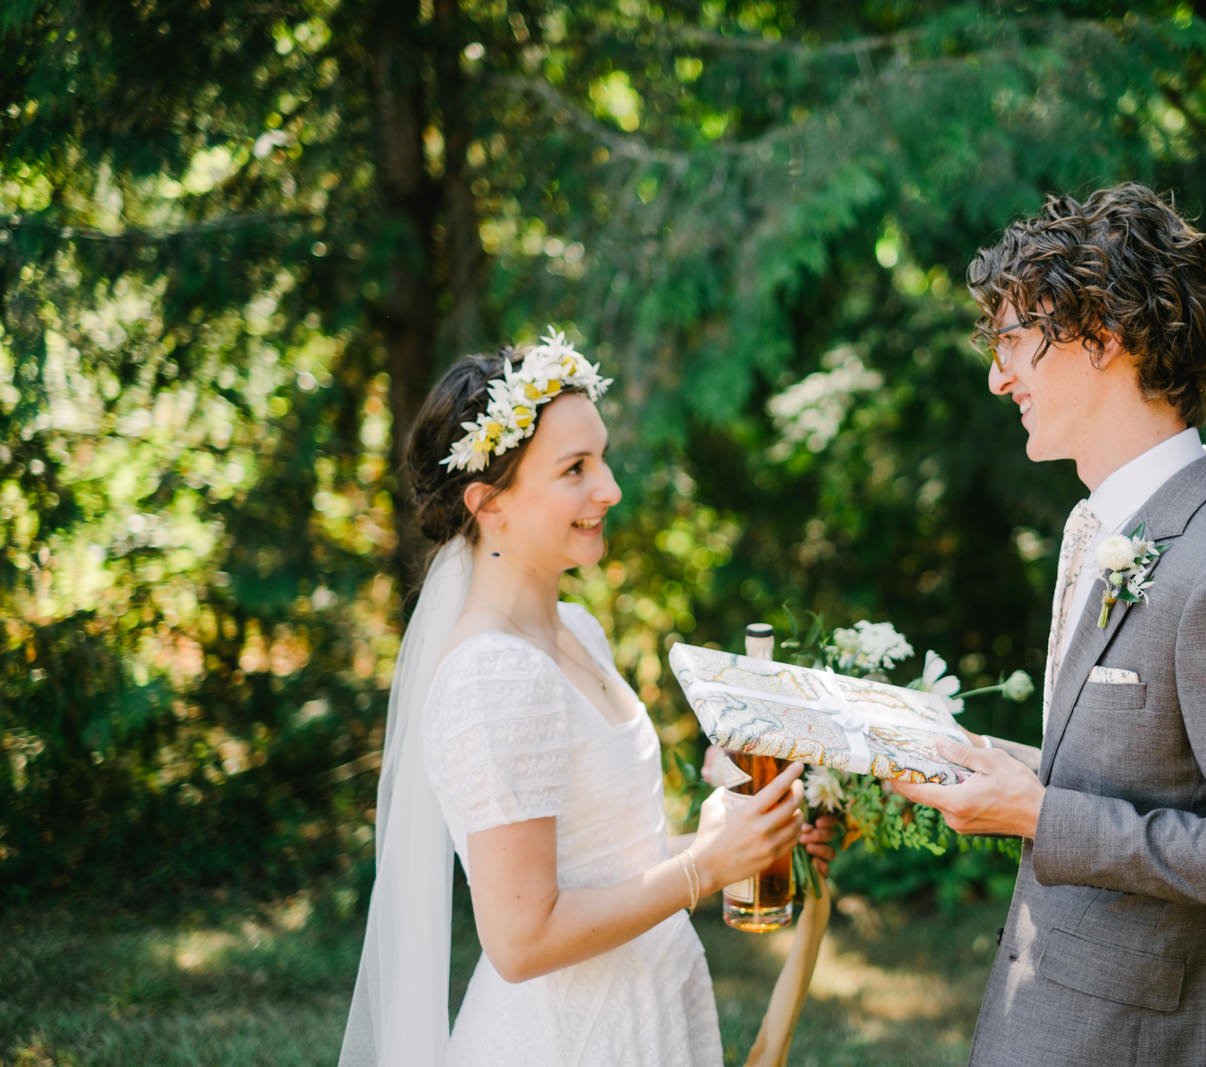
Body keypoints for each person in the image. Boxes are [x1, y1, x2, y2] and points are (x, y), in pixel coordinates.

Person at [894, 184, 1206, 1066]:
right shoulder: (1098, 525)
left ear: (1103, 335)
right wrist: (994, 769)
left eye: (1015, 341)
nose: (999, 375)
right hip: (1053, 1015)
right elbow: (1133, 774)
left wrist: (1039, 814)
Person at [340, 330, 835, 1066]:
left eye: (601, 457)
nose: (610, 488)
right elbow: (521, 936)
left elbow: (602, 867)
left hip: (644, 1010)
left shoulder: (577, 629)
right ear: (490, 505)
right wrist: (701, 868)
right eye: (575, 468)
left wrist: (742, 846)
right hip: (566, 1039)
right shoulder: (492, 676)